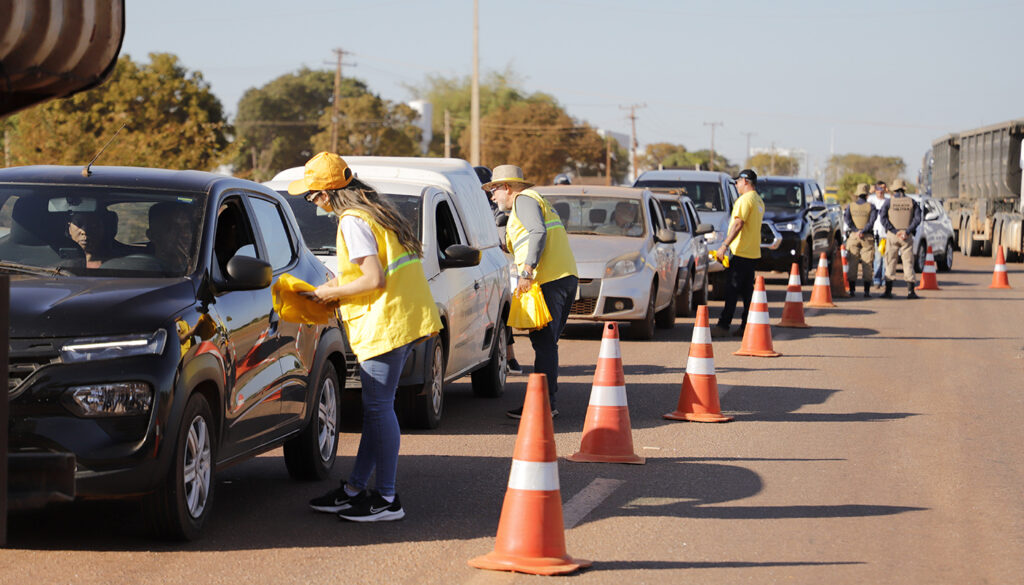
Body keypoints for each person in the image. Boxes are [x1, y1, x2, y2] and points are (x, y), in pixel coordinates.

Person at [298, 152, 442, 522]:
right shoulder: (374, 211)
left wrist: (329, 294)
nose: (312, 203)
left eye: (311, 195)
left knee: (378, 409)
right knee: (378, 410)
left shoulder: (351, 221)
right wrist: (336, 286)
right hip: (403, 318)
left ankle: (388, 499)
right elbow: (369, 274)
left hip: (386, 323)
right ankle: (354, 490)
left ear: (327, 194)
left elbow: (373, 279)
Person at [484, 164, 578, 419]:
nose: (493, 197)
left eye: (494, 190)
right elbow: (530, 237)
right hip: (563, 278)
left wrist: (526, 271)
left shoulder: (523, 200)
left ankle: (543, 406)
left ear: (506, 188)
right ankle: (547, 402)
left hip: (547, 281)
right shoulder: (535, 202)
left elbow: (538, 232)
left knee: (544, 344)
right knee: (547, 344)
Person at [476, 165, 522, 375]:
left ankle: (509, 356)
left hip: (499, 266)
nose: (490, 193)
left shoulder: (500, 209)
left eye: (492, 188)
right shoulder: (471, 208)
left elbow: (505, 239)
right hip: (475, 268)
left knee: (503, 312)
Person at [711, 169, 765, 338]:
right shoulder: (758, 201)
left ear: (745, 181)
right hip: (752, 253)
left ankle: (723, 325)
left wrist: (724, 245)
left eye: (738, 182)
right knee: (747, 293)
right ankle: (746, 326)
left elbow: (738, 224)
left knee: (732, 290)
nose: (736, 185)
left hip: (740, 252)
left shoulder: (744, 200)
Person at [878, 178, 922, 299]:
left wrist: (894, 231)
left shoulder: (889, 202)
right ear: (903, 188)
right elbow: (917, 219)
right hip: (906, 236)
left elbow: (882, 218)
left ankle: (888, 291)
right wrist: (907, 232)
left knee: (890, 261)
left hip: (893, 236)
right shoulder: (912, 202)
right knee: (908, 263)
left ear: (894, 189)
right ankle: (910, 292)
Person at [843, 183, 878, 297]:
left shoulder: (850, 206)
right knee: (867, 263)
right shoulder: (871, 207)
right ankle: (866, 292)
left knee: (852, 262)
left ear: (857, 194)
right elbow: (872, 221)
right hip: (867, 237)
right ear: (867, 194)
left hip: (853, 236)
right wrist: (863, 231)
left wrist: (856, 230)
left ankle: (852, 290)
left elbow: (847, 220)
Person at [147, 202, 194, 274]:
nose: (185, 234)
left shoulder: (198, 267)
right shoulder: (144, 270)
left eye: (186, 227)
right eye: (175, 228)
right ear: (153, 236)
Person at [867, 181, 889, 287]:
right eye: (878, 189)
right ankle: (876, 279)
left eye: (882, 189)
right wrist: (869, 191)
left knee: (885, 258)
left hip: (885, 234)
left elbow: (898, 199)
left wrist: (890, 191)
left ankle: (884, 279)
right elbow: (861, 201)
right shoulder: (871, 200)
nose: (880, 191)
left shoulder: (888, 200)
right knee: (878, 258)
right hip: (875, 233)